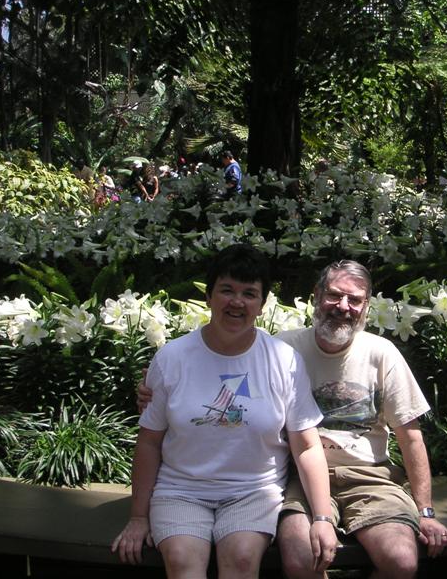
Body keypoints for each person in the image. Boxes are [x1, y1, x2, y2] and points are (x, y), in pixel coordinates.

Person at [137, 260, 447, 578]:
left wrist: (425, 511)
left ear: (366, 306)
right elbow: (229, 363)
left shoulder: (381, 353)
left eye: (354, 299)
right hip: (299, 478)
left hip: (369, 477)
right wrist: (153, 391)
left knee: (401, 561)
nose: (343, 307)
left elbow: (410, 435)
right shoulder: (283, 348)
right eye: (334, 295)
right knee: (302, 559)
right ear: (316, 296)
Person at [113, 244, 336, 579]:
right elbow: (149, 442)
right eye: (227, 290)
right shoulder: (173, 358)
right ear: (209, 296)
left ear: (261, 305)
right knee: (182, 561)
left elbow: (306, 445)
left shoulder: (282, 360)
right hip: (182, 489)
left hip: (254, 490)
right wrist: (138, 517)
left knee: (242, 559)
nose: (237, 302)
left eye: (249, 293)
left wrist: (322, 519)